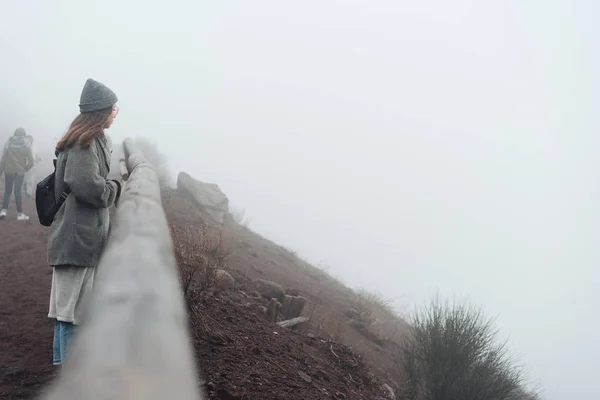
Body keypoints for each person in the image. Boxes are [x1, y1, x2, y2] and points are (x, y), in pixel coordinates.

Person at [47, 78, 122, 366]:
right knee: (70, 315)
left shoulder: (95, 139)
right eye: (114, 108)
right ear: (101, 111)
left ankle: (64, 373)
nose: (117, 112)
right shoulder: (83, 143)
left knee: (70, 312)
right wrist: (115, 188)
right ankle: (71, 382)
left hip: (83, 237)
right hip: (75, 239)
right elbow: (87, 185)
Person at [0, 127, 35, 220]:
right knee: (17, 191)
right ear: (24, 134)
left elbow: (3, 159)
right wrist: (24, 169)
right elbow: (31, 162)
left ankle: (3, 211)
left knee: (7, 191)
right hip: (19, 172)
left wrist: (0, 171)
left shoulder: (9, 143)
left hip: (8, 170)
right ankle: (20, 214)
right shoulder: (26, 144)